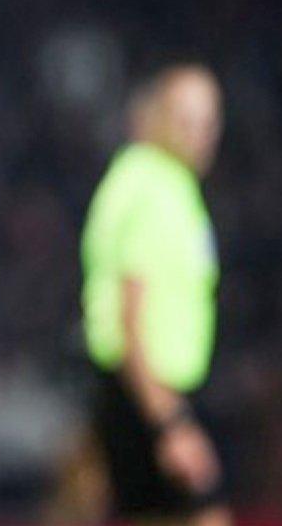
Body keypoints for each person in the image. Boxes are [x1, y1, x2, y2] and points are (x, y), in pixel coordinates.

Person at [80, 64, 230, 526]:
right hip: (151, 391)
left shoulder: (140, 180)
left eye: (209, 121)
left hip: (136, 390)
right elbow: (131, 312)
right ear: (155, 117)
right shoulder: (156, 190)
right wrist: (170, 422)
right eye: (186, 120)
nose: (201, 134)